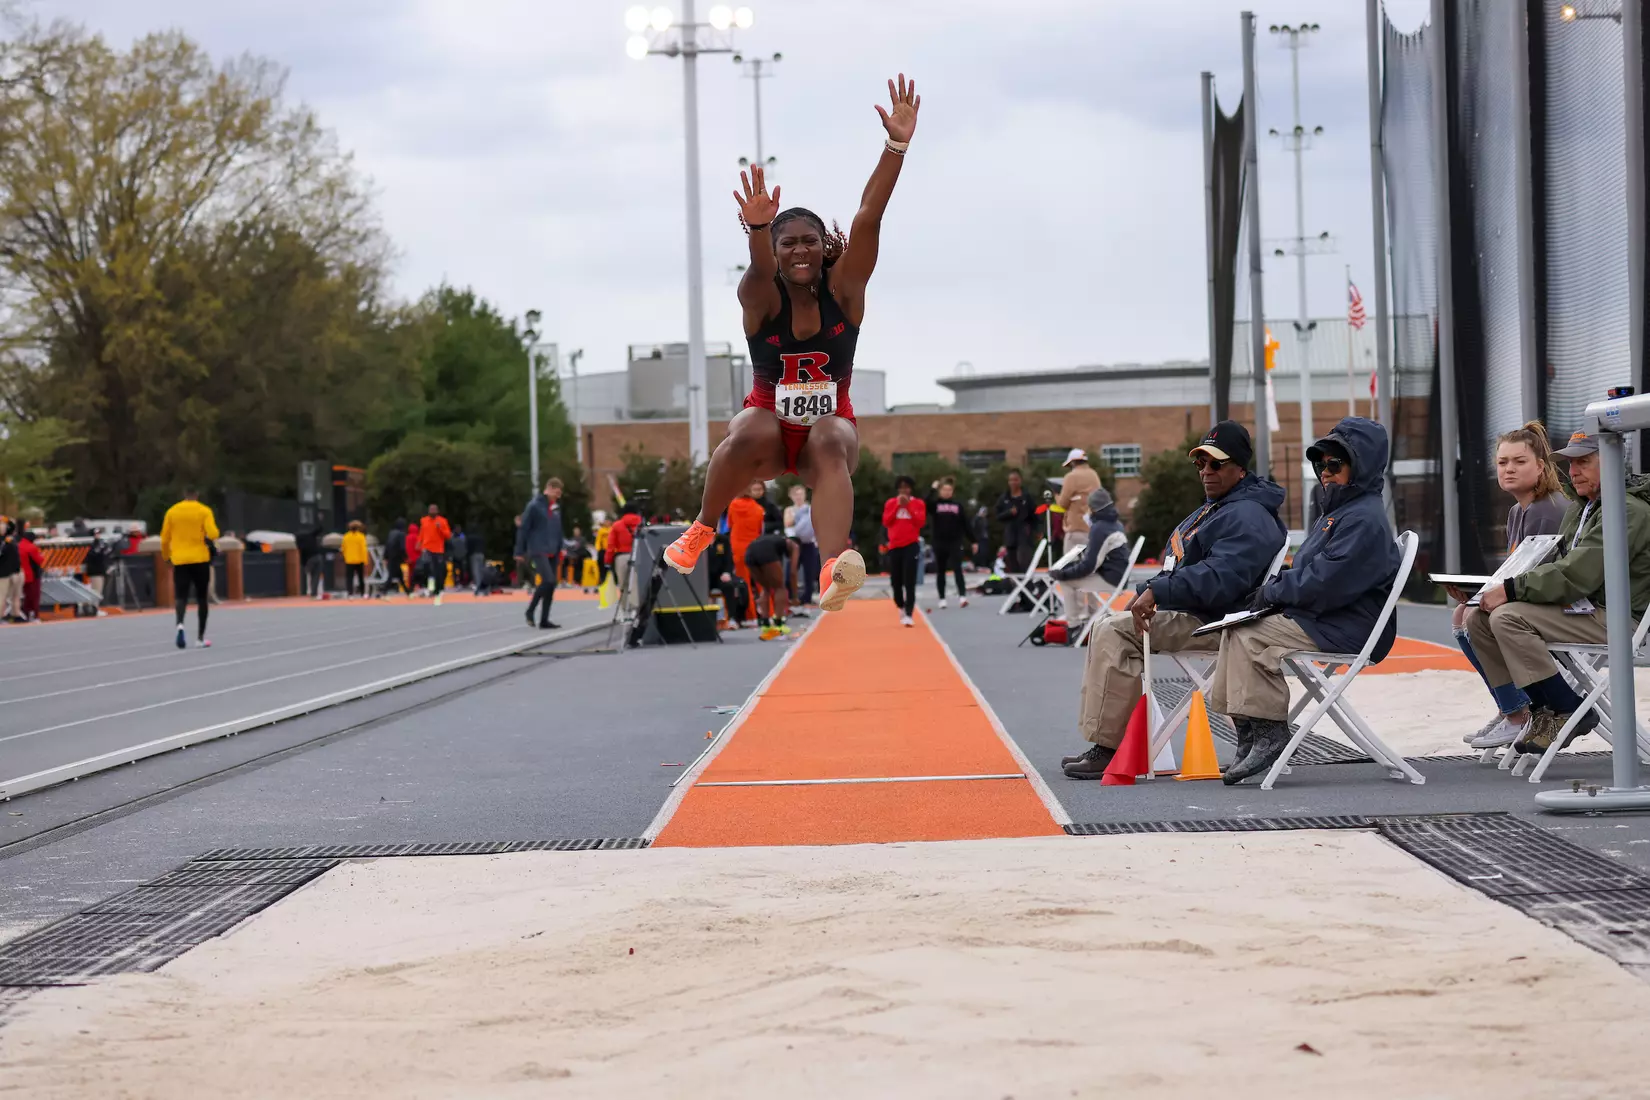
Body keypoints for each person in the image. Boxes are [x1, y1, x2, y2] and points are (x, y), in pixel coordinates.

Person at [659, 74, 923, 618]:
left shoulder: (844, 291)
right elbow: (757, 266)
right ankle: (703, 526)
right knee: (749, 425)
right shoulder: (760, 295)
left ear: (823, 248)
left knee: (827, 437)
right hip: (769, 428)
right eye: (787, 244)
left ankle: (833, 566)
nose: (799, 251)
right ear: (776, 252)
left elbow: (867, 217)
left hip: (830, 427)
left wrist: (895, 147)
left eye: (808, 241)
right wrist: (757, 230)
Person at [1063, 421, 1287, 778]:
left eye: (1216, 464)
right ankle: (1108, 743)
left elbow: (1221, 579)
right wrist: (1151, 590)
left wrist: (1158, 591)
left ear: (1240, 467)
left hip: (1220, 622)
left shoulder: (1248, 515)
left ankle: (1110, 747)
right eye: (1200, 464)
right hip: (1201, 611)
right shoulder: (1221, 507)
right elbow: (1184, 566)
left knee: (1114, 632)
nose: (1206, 472)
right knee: (1110, 623)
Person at [1208, 417, 1400, 784]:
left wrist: (1273, 592)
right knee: (1235, 629)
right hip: (1328, 617)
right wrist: (1274, 592)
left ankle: (1270, 730)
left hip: (1350, 627)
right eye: (1320, 464)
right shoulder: (1340, 512)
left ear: (1362, 466)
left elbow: (1326, 582)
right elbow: (1313, 573)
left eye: (1335, 464)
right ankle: (1248, 731)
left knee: (1252, 635)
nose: (1325, 473)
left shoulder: (1363, 519)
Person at [1468, 429, 1650, 756]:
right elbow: (1553, 565)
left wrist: (1510, 590)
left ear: (1610, 464)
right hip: (1585, 608)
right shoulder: (1582, 507)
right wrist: (1489, 590)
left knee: (1508, 617)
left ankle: (1566, 708)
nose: (1574, 471)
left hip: (1622, 619)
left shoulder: (1626, 510)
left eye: (1583, 462)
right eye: (1570, 463)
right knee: (1477, 619)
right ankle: (1539, 709)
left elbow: (1578, 575)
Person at [1450, 422, 1571, 749]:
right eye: (1503, 462)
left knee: (1474, 617)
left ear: (1540, 466)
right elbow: (1515, 572)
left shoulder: (1547, 510)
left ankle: (1517, 711)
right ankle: (1511, 707)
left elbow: (1541, 576)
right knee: (1465, 611)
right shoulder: (1518, 511)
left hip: (1564, 608)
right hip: (1535, 600)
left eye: (1519, 461)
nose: (1509, 469)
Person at [1048, 487, 1131, 624]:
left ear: (1093, 508)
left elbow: (1089, 566)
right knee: (1073, 576)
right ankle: (1086, 619)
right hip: (1118, 576)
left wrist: (1063, 574)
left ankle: (1073, 624)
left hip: (1110, 579)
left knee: (1065, 582)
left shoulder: (1099, 528)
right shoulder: (1116, 524)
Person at [160, 488, 220, 649]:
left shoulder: (172, 511)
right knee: (201, 598)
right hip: (200, 558)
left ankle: (180, 624)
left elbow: (164, 538)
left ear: (184, 495)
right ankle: (200, 638)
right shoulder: (204, 511)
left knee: (181, 596)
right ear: (197, 495)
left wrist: (166, 557)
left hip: (180, 559)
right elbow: (213, 533)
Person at [517, 477, 566, 630]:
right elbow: (524, 528)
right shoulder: (534, 506)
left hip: (553, 550)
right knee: (549, 580)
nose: (557, 497)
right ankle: (530, 610)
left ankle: (544, 619)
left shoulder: (555, 509)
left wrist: (561, 547)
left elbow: (558, 530)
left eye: (559, 494)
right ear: (549, 488)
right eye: (556, 493)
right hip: (538, 548)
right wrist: (519, 550)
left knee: (551, 585)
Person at [925, 477, 976, 609]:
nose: (947, 492)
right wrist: (932, 489)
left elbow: (966, 524)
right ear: (940, 491)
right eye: (944, 490)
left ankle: (962, 597)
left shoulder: (957, 506)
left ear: (952, 491)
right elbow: (925, 503)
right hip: (939, 541)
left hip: (954, 541)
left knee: (957, 569)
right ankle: (942, 599)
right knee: (941, 570)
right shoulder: (936, 505)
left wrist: (973, 540)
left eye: (949, 490)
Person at [883, 474, 926, 626]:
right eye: (901, 488)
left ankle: (909, 613)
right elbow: (886, 521)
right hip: (895, 546)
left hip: (911, 545)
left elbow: (920, 522)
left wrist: (908, 506)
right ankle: (900, 604)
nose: (904, 491)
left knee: (910, 580)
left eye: (906, 488)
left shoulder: (918, 503)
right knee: (896, 581)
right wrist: (897, 506)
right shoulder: (890, 503)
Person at [727, 481, 767, 620]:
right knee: (761, 582)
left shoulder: (733, 505)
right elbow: (760, 529)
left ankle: (751, 615)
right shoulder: (758, 509)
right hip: (755, 546)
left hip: (738, 547)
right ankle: (769, 611)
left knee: (743, 582)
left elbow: (730, 524)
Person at [744, 531, 792, 637]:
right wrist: (795, 597)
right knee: (780, 587)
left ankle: (765, 624)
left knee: (766, 588)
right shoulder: (793, 545)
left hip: (749, 552)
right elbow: (793, 572)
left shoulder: (774, 540)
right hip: (765, 551)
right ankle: (778, 624)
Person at [785, 484, 820, 606]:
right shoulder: (790, 510)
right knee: (791, 571)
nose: (799, 497)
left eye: (801, 494)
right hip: (794, 544)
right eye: (796, 494)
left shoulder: (810, 508)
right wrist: (800, 516)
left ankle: (807, 598)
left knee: (809, 572)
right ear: (791, 496)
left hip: (808, 543)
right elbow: (788, 523)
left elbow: (816, 523)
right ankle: (791, 597)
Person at [996, 470, 1037, 575]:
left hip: (1024, 534)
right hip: (1010, 535)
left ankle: (1027, 588)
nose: (1013, 482)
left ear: (1020, 481)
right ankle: (1016, 588)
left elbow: (1035, 515)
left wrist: (1036, 530)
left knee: (1024, 561)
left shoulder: (1027, 497)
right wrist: (1009, 513)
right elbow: (998, 516)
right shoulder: (1004, 498)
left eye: (1016, 480)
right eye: (1011, 480)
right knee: (1012, 563)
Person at [708, 525, 749, 627]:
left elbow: (728, 560)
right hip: (705, 576)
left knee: (730, 586)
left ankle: (732, 618)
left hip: (720, 575)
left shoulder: (723, 540)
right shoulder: (698, 540)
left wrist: (726, 573)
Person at [607, 501, 642, 610]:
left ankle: (625, 609)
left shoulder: (617, 525)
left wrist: (608, 560)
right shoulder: (641, 524)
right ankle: (636, 608)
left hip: (621, 557)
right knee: (636, 584)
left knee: (623, 584)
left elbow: (611, 545)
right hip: (638, 555)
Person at [418, 504, 452, 604]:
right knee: (426, 568)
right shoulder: (424, 520)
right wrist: (419, 542)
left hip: (438, 550)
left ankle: (439, 589)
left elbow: (447, 535)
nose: (432, 511)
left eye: (434, 510)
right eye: (430, 510)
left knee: (439, 571)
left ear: (437, 511)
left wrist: (440, 528)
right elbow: (422, 533)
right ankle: (429, 588)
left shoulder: (442, 521)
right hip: (427, 548)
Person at [18, 528, 43, 622]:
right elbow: (39, 560)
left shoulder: (18, 546)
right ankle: (36, 616)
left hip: (22, 575)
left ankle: (26, 615)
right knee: (35, 597)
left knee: (26, 597)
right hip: (33, 576)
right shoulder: (31, 547)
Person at [342, 520, 369, 598]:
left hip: (349, 559)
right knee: (361, 577)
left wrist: (345, 556)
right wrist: (365, 560)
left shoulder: (346, 537)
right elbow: (363, 549)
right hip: (359, 559)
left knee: (349, 577)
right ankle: (362, 593)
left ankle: (350, 593)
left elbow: (343, 548)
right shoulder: (361, 537)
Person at [83, 528, 110, 600]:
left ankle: (95, 608)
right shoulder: (91, 545)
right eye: (96, 534)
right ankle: (93, 608)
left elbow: (106, 554)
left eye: (98, 534)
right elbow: (92, 555)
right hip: (95, 571)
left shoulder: (102, 543)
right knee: (96, 591)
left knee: (99, 591)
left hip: (101, 570)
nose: (98, 535)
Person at [469, 524, 491, 597]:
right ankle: (485, 588)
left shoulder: (471, 537)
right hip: (481, 554)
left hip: (474, 554)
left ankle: (478, 588)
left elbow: (469, 547)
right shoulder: (481, 537)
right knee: (482, 571)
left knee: (476, 572)